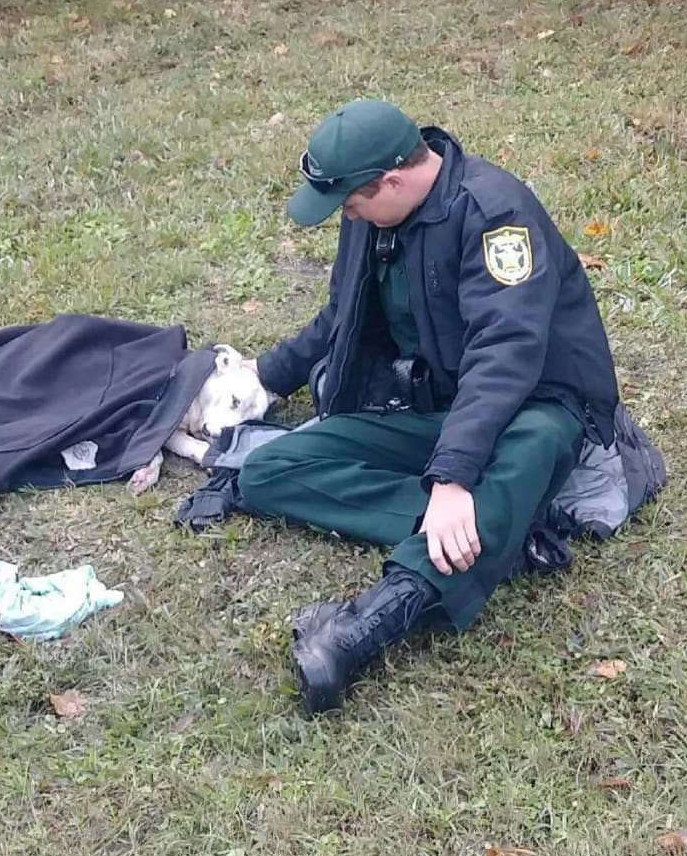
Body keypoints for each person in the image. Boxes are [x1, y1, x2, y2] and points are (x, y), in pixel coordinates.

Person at [237, 98, 621, 715]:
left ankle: (368, 624)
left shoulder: (496, 214)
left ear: (390, 180)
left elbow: (506, 354)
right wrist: (268, 377)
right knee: (265, 472)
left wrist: (450, 478)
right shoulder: (371, 214)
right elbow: (342, 314)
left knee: (537, 441)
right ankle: (496, 532)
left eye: (352, 202)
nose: (347, 215)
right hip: (436, 407)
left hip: (534, 402)